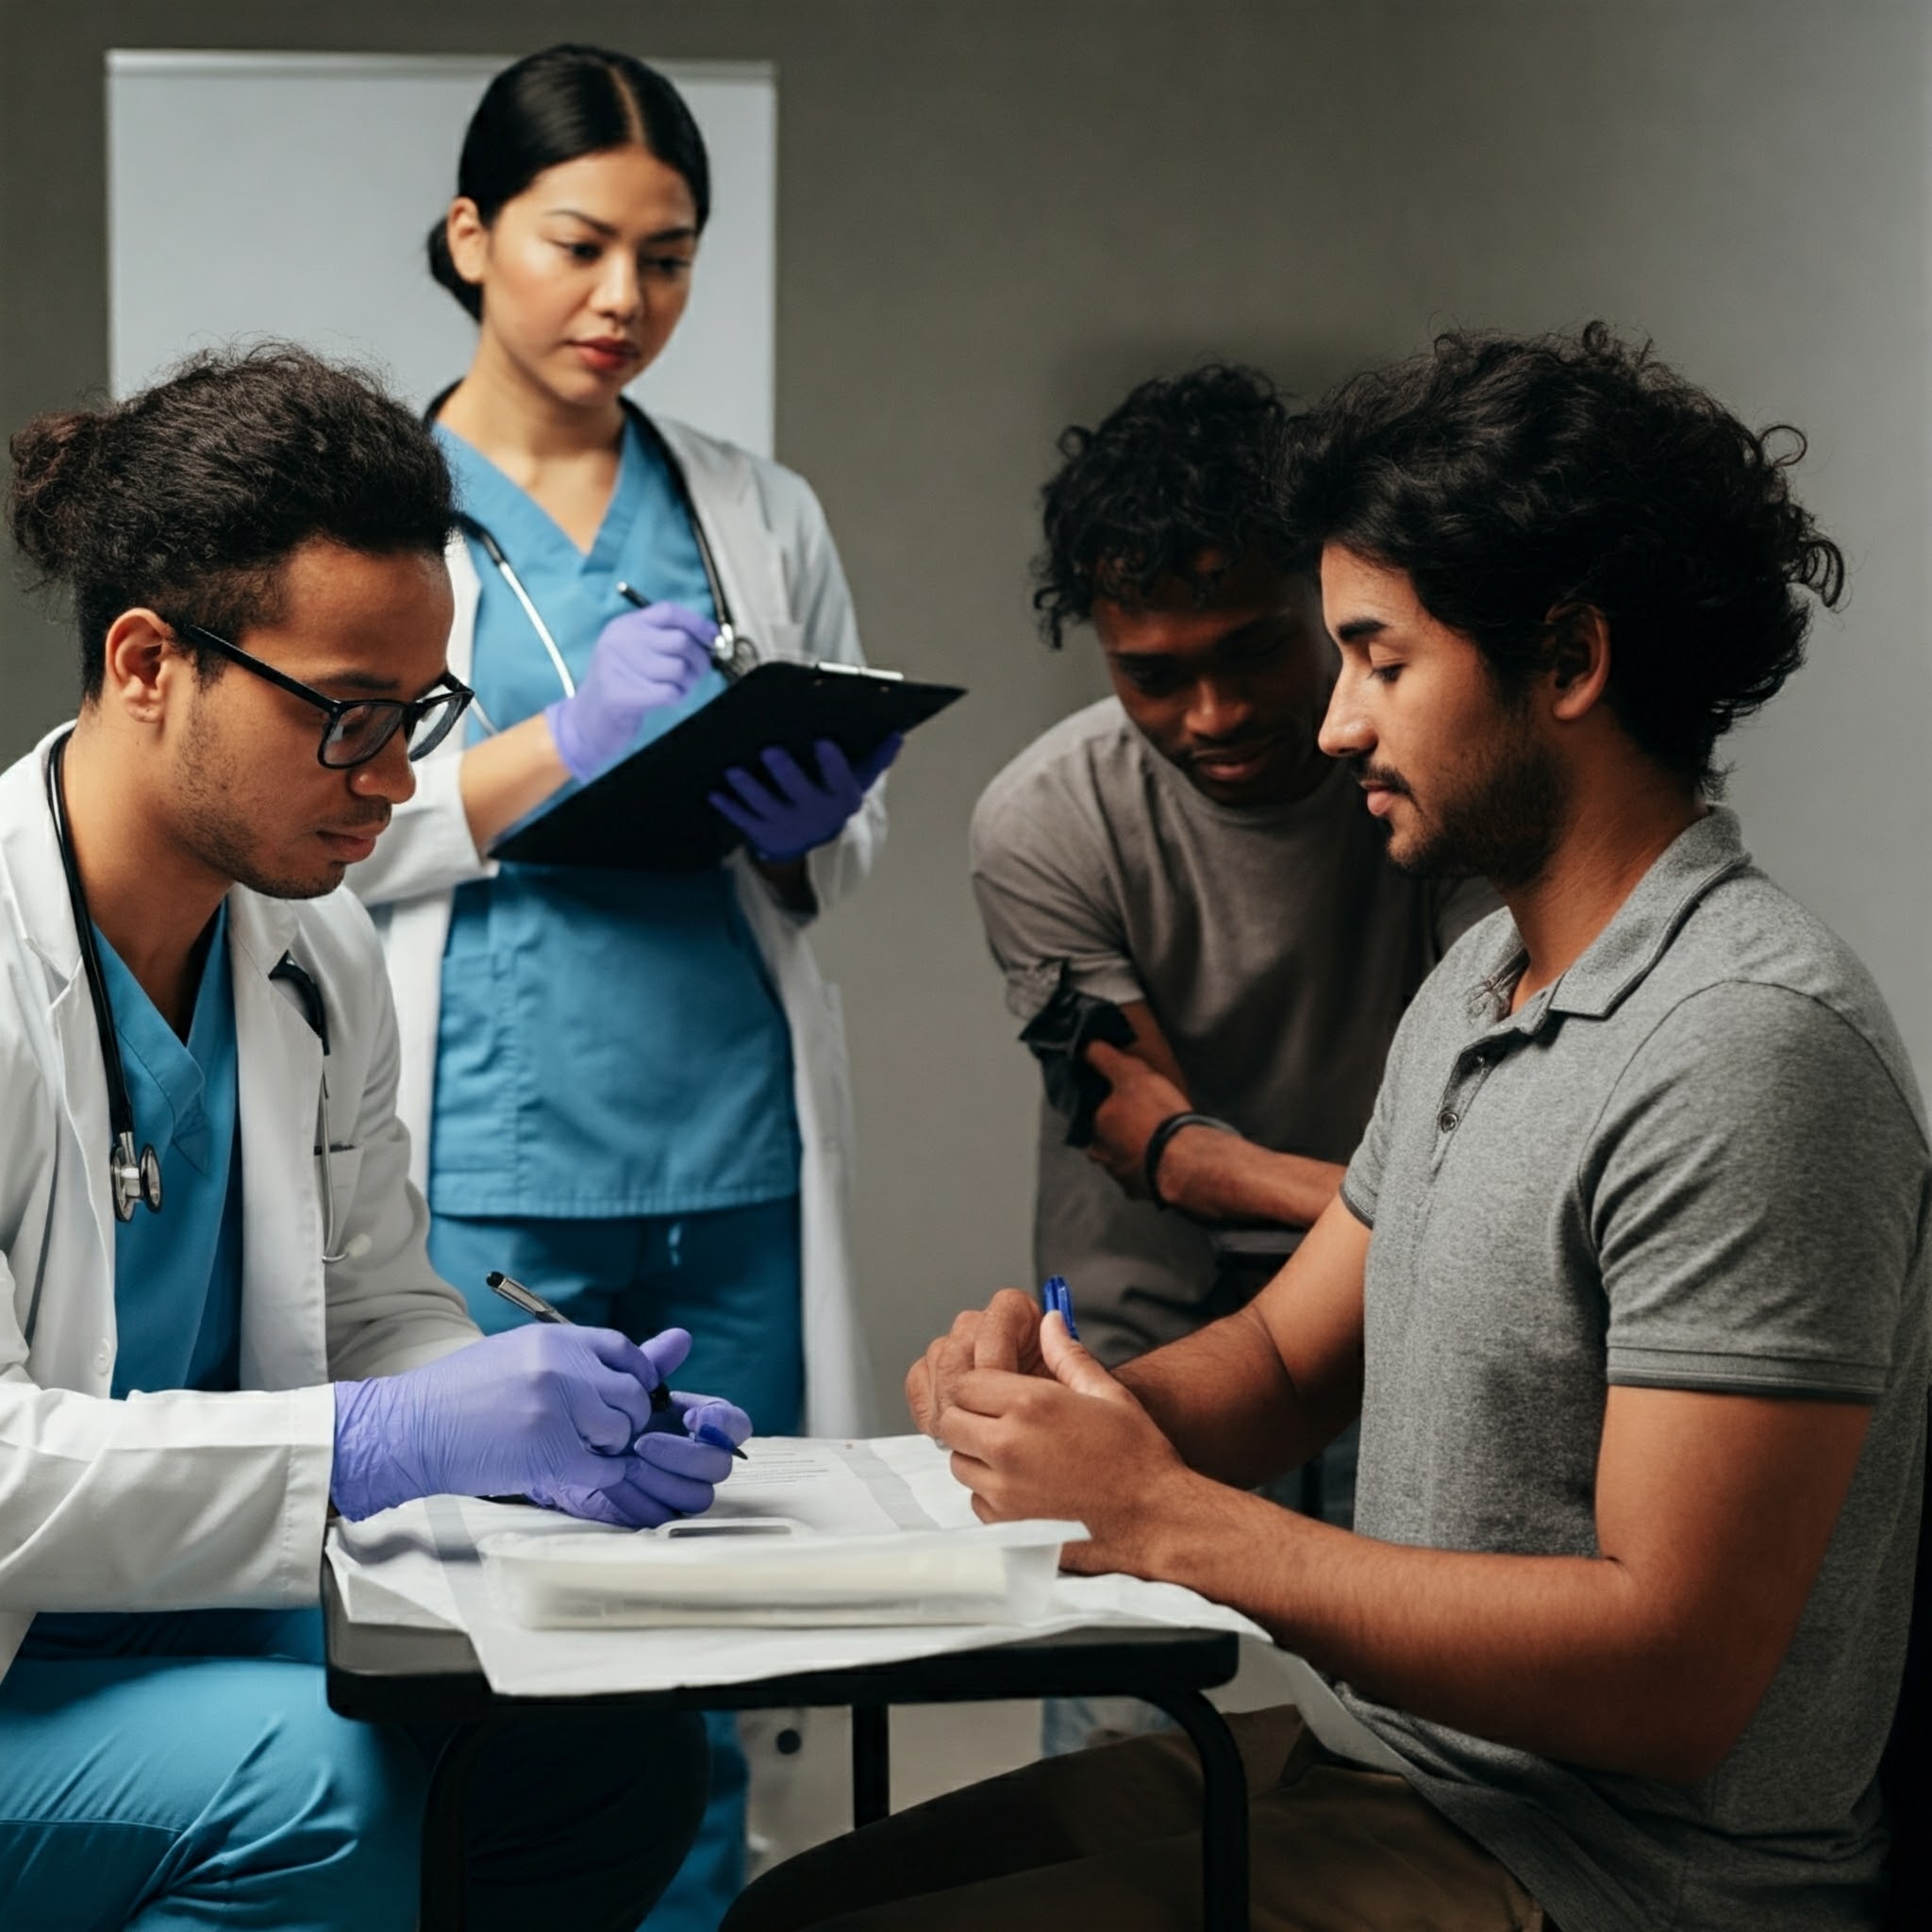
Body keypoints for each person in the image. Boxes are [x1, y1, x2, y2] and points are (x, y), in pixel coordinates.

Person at [727, 325, 1929, 1932]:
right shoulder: (1486, 985)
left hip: (1605, 1871)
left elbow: (1674, 1675)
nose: (1338, 723)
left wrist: (1169, 1520)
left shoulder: (1749, 1049)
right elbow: (1291, 1360)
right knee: (794, 1912)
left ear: (1566, 663)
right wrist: (1070, 1416)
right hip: (1395, 1765)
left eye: (1379, 658)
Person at [0, 344, 753, 1932]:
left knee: (609, 1748)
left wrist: (531, 1431)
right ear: (148, 663)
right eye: (346, 718)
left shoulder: (309, 951)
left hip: (191, 1608)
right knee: (319, 1795)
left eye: (419, 714)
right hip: (21, 1654)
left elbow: (375, 1305)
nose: (397, 779)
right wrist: (379, 1443)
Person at [342, 44, 891, 1927]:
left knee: (723, 1631)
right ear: (472, 234)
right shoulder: (373, 504)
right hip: (493, 1148)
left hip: (728, 1146)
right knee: (500, 1633)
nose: (622, 302)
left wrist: (814, 812)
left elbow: (827, 862)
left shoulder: (756, 508)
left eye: (669, 258)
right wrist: (560, 740)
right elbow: (325, 821)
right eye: (582, 246)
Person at [972, 367, 1488, 1752]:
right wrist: (1405, 1206)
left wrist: (1404, 1230)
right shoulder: (1042, 822)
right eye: (1155, 673)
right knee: (1124, 1753)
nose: (1212, 712)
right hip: (1159, 1327)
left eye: (1255, 650)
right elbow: (1151, 1140)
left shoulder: (1429, 775)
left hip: (1405, 1324)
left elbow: (1498, 1098)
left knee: (1411, 1759)